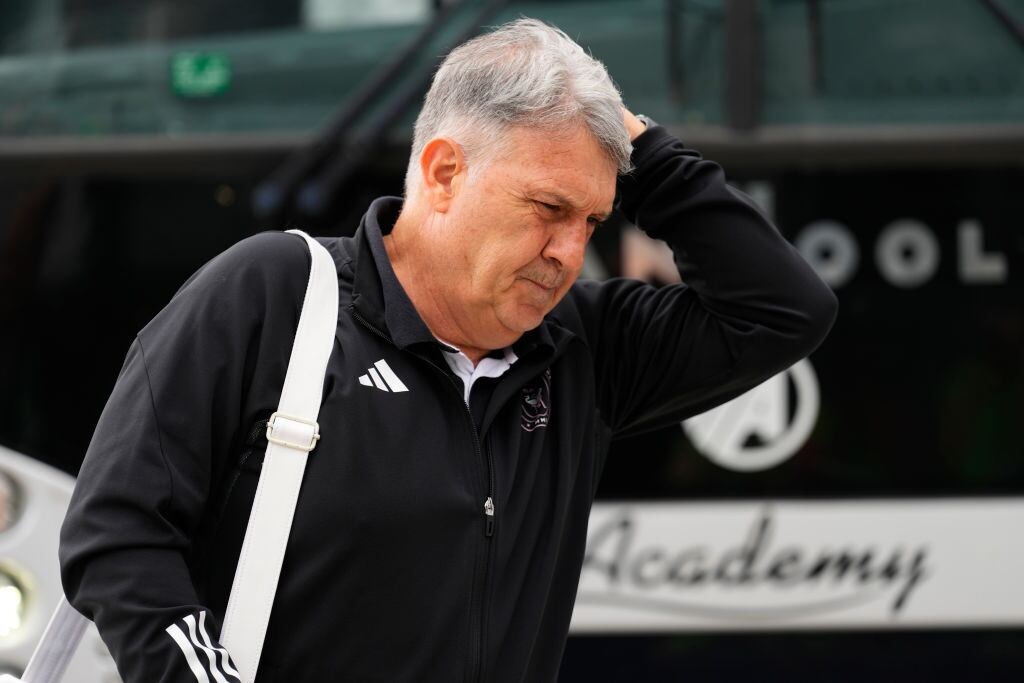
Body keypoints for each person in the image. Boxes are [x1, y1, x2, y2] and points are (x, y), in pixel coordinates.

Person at [59, 17, 837, 683]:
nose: (569, 252)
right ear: (443, 172)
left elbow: (785, 309)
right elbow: (117, 532)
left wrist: (643, 153)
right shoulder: (276, 294)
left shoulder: (584, 348)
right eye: (548, 207)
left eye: (592, 222)